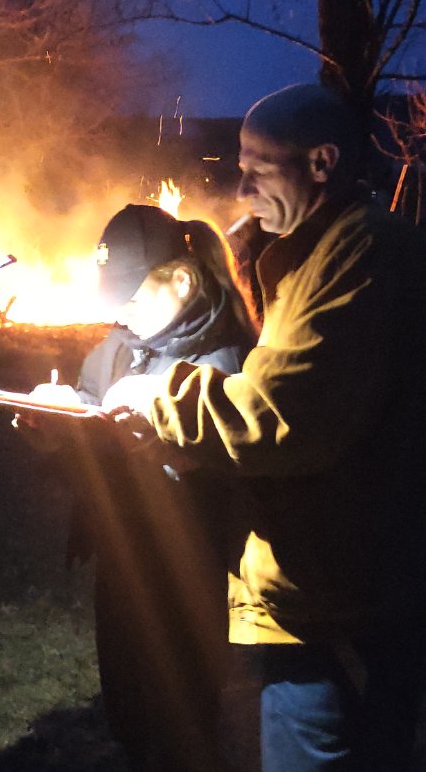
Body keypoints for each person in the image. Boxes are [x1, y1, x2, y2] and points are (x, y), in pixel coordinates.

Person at [103, 84, 426, 772]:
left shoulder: (362, 258)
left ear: (322, 162)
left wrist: (159, 398)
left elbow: (281, 418)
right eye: (240, 168)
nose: (241, 189)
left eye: (259, 169)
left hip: (341, 595)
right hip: (332, 585)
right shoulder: (322, 251)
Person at [18, 204, 257, 772]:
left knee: (182, 721)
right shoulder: (122, 344)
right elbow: (91, 407)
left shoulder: (226, 362)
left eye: (131, 295)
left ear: (182, 280)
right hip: (122, 556)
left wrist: (160, 446)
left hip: (190, 570)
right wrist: (57, 429)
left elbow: (233, 470)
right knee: (127, 710)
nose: (121, 312)